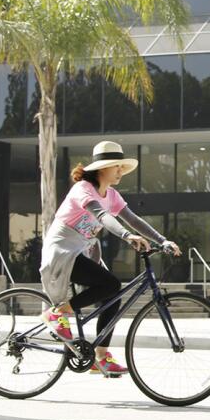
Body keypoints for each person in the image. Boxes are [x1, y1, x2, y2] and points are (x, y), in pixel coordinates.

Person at [39, 141, 181, 377]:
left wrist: (161, 240)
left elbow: (133, 219)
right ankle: (57, 312)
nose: (120, 172)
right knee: (110, 284)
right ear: (102, 168)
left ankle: (101, 357)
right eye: (117, 167)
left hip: (82, 251)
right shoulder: (83, 189)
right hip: (62, 251)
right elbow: (102, 215)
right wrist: (126, 236)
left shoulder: (112, 194)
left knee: (114, 293)